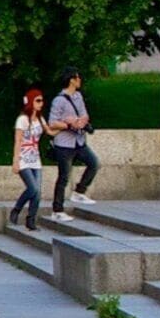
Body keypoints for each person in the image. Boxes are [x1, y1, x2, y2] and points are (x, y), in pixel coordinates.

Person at [44, 74, 100, 219]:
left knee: (94, 163)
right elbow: (52, 122)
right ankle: (57, 210)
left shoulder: (78, 97)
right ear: (71, 80)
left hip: (79, 141)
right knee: (64, 176)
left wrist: (78, 121)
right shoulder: (59, 100)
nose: (80, 80)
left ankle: (79, 191)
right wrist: (68, 124)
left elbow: (84, 116)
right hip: (64, 143)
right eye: (77, 78)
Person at [9, 89, 49, 233]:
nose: (41, 104)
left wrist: (66, 126)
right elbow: (18, 140)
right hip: (23, 158)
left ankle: (31, 220)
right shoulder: (22, 119)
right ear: (30, 101)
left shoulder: (40, 119)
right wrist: (15, 160)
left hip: (35, 158)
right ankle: (17, 209)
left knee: (38, 192)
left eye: (42, 101)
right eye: (37, 101)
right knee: (33, 188)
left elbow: (49, 131)